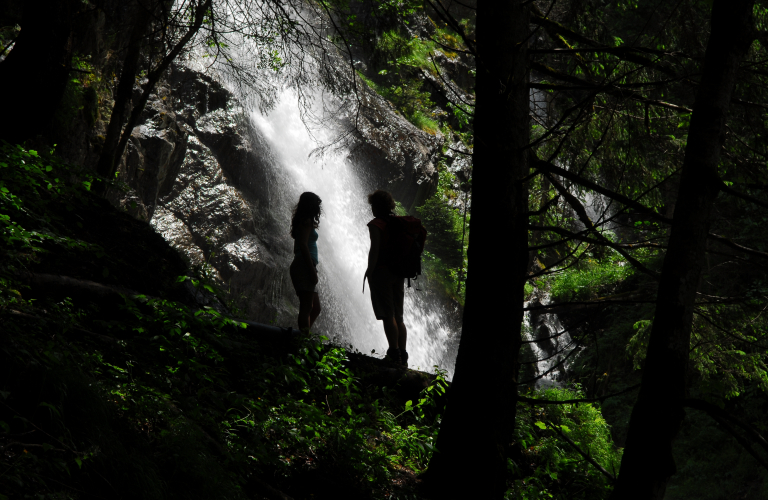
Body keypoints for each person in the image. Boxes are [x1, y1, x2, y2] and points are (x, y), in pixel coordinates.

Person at [365, 190, 408, 367]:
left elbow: (375, 250)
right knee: (399, 316)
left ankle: (393, 354)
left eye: (373, 205)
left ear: (377, 206)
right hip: (399, 273)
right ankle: (403, 356)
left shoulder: (376, 224)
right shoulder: (398, 222)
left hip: (382, 273)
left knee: (388, 315)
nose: (371, 209)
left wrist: (370, 270)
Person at [289, 192, 322, 332]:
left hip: (303, 264)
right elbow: (302, 245)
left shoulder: (302, 221)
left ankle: (304, 335)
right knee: (307, 307)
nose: (319, 209)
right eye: (317, 205)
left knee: (315, 308)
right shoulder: (306, 221)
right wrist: (312, 270)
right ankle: (303, 341)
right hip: (304, 265)